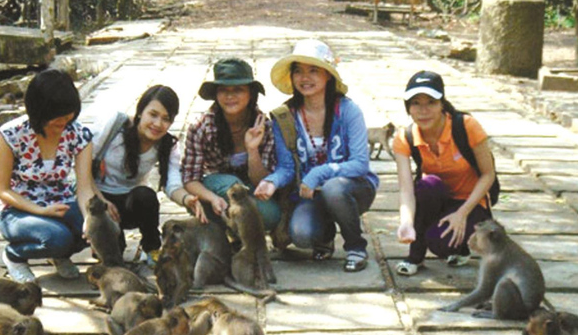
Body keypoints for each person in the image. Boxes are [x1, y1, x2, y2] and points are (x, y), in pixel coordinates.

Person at [256, 39, 378, 272]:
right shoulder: (285, 117)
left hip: (353, 188)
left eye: (313, 70)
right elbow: (286, 168)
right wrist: (271, 182)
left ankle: (356, 246)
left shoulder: (348, 111)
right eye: (299, 71)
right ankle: (325, 235)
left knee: (334, 188)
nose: (305, 78)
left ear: (328, 75)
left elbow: (361, 164)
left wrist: (320, 173)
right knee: (301, 235)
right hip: (310, 196)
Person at [0, 69, 93, 282]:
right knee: (58, 238)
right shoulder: (11, 134)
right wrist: (40, 210)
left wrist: (90, 219)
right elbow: (2, 190)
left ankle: (60, 255)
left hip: (60, 201)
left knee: (95, 228)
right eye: (57, 117)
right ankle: (15, 256)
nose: (64, 123)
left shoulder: (78, 133)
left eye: (68, 116)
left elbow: (84, 187)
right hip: (17, 207)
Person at [392, 70, 496, 276]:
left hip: (470, 200)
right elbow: (406, 191)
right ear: (408, 108)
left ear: (442, 104)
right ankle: (415, 256)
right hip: (437, 197)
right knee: (426, 185)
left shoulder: (466, 126)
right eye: (416, 103)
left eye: (430, 102)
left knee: (441, 245)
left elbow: (488, 175)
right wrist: (405, 222)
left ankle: (461, 246)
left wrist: (462, 213)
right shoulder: (405, 137)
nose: (423, 110)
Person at [90, 85, 205, 262]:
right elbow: (81, 169)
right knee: (113, 256)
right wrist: (101, 202)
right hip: (99, 199)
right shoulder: (115, 126)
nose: (158, 124)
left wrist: (187, 199)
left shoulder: (167, 145)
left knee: (146, 195)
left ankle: (152, 249)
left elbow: (172, 184)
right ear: (140, 111)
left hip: (130, 203)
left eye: (166, 119)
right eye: (153, 115)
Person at [182, 58, 280, 230]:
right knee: (231, 184)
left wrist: (252, 150)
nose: (230, 96)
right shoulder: (200, 127)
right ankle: (223, 227)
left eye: (238, 90)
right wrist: (212, 198)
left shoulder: (263, 126)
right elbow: (190, 179)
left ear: (250, 93)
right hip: (215, 187)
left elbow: (262, 182)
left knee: (272, 216)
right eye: (223, 90)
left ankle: (237, 230)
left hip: (250, 190)